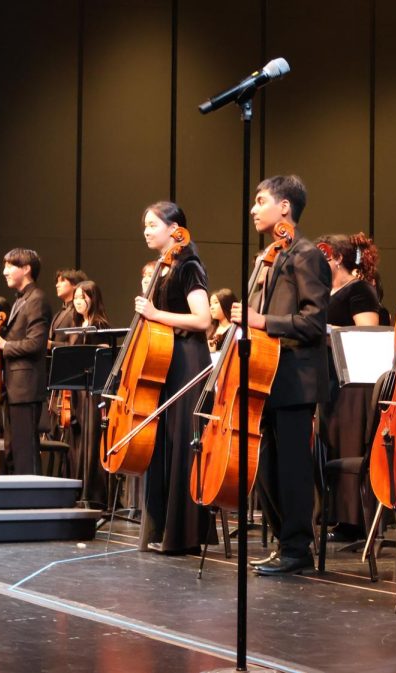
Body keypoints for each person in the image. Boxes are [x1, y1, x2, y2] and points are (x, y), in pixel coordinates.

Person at [231, 175, 331, 576]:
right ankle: (284, 541)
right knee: (266, 468)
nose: (253, 209)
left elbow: (314, 321)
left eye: (260, 201)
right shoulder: (271, 256)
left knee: (290, 467)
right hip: (265, 375)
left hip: (295, 376)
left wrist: (261, 320)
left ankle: (297, 549)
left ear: (285, 207)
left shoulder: (307, 255)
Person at [132, 202, 216, 554]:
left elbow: (202, 320)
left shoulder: (189, 266)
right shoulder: (163, 268)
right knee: (162, 444)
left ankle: (183, 535)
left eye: (153, 224)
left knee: (183, 445)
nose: (147, 231)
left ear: (174, 227)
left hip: (187, 362)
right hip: (165, 362)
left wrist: (155, 313)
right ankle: (161, 529)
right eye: (145, 226)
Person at [315, 232, 384, 542]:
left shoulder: (360, 290)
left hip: (355, 383)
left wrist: (328, 330)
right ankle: (340, 515)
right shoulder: (324, 292)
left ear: (337, 258)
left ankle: (356, 520)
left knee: (352, 445)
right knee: (333, 443)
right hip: (330, 379)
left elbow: (368, 332)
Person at [0, 248, 52, 475]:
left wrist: (3, 345)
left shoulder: (37, 300)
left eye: (10, 266)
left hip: (25, 387)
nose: (4, 272)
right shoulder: (20, 300)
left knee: (25, 452)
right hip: (14, 387)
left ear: (26, 269)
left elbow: (36, 344)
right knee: (13, 450)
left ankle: (32, 502)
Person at [66, 279, 111, 506]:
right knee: (79, 440)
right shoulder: (76, 325)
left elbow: (105, 352)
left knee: (93, 439)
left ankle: (94, 495)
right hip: (78, 391)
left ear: (93, 299)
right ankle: (78, 489)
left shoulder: (100, 325)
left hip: (93, 391)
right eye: (75, 298)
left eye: (82, 297)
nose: (78, 301)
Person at [49, 268, 87, 350]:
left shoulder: (78, 311)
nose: (57, 285)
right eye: (57, 282)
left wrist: (50, 345)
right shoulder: (60, 312)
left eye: (62, 281)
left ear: (74, 285)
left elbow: (74, 345)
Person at [207, 288, 236, 353]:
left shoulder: (236, 329)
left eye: (216, 302)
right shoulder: (209, 329)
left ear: (226, 303)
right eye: (210, 304)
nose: (211, 307)